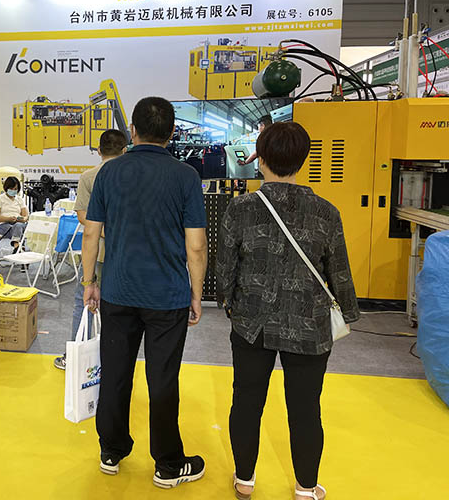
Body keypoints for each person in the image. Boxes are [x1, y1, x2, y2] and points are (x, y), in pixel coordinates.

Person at [216, 122, 360, 500]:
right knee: (306, 407)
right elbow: (339, 271)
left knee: (247, 400)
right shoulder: (326, 212)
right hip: (309, 325)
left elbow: (225, 266)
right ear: (303, 160)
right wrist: (347, 312)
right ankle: (305, 487)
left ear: (260, 159)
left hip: (252, 323)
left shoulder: (241, 208)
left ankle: (244, 480)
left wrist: (228, 303)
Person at [81, 97, 209, 489]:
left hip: (118, 291)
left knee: (115, 373)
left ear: (133, 131)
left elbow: (91, 233)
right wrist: (196, 293)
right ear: (172, 133)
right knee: (163, 379)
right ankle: (168, 464)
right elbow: (196, 246)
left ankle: (111, 450)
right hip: (167, 296)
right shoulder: (186, 176)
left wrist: (89, 282)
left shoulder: (109, 172)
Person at [53, 129, 127, 371]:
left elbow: (83, 216)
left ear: (98, 151)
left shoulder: (88, 177)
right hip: (127, 253)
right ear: (124, 150)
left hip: (96, 251)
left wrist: (103, 231)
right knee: (121, 307)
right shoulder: (132, 175)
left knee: (83, 302)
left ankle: (75, 357)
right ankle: (115, 359)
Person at [0, 176, 28, 253]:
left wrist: (19, 219)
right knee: (18, 229)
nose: (13, 191)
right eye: (11, 188)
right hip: (4, 225)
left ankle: (16, 246)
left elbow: (25, 217)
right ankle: (20, 247)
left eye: (15, 189)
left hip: (18, 223)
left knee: (18, 226)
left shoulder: (19, 200)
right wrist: (8, 219)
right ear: (6, 188)